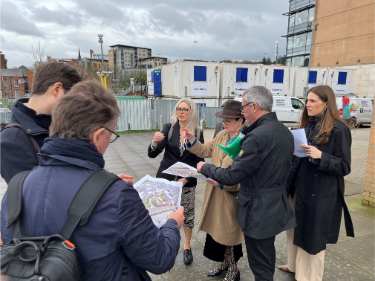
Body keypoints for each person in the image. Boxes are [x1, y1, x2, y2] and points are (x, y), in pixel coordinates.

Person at [1, 80, 184, 281]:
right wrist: (172, 225)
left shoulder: (16, 187)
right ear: (98, 136)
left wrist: (103, 188)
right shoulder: (117, 196)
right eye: (112, 134)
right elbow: (159, 259)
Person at [197, 86, 295, 281]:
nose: (242, 112)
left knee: (260, 265)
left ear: (254, 106)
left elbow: (232, 176)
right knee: (266, 258)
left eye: (243, 107)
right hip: (276, 205)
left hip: (258, 211)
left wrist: (204, 168)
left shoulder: (256, 137)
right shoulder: (284, 131)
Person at [279, 85, 354, 281]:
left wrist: (321, 156)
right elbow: (298, 159)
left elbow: (344, 166)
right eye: (307, 100)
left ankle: (309, 277)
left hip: (320, 195)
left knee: (312, 240)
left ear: (326, 103)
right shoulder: (309, 125)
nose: (307, 105)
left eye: (312, 101)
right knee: (293, 231)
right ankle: (293, 265)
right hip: (299, 189)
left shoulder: (340, 130)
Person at [185, 100, 244, 281]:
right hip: (215, 192)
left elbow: (242, 173)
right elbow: (204, 150)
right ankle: (223, 263)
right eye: (223, 119)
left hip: (231, 194)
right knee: (217, 233)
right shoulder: (222, 135)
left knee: (230, 234)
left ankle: (234, 269)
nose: (224, 123)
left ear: (241, 120)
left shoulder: (246, 141)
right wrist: (191, 140)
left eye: (229, 120)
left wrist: (222, 181)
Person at [0, 61, 82, 183]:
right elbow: (36, 194)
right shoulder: (12, 139)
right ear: (57, 90)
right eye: (73, 99)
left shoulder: (58, 122)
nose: (74, 107)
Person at [148, 98, 204, 266]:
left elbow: (199, 159)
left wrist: (186, 178)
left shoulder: (197, 131)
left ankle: (187, 246)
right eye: (179, 108)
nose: (181, 112)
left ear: (191, 111)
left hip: (186, 181)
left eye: (185, 109)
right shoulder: (169, 127)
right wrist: (154, 142)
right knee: (162, 212)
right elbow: (153, 154)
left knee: (187, 215)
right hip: (166, 180)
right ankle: (162, 244)